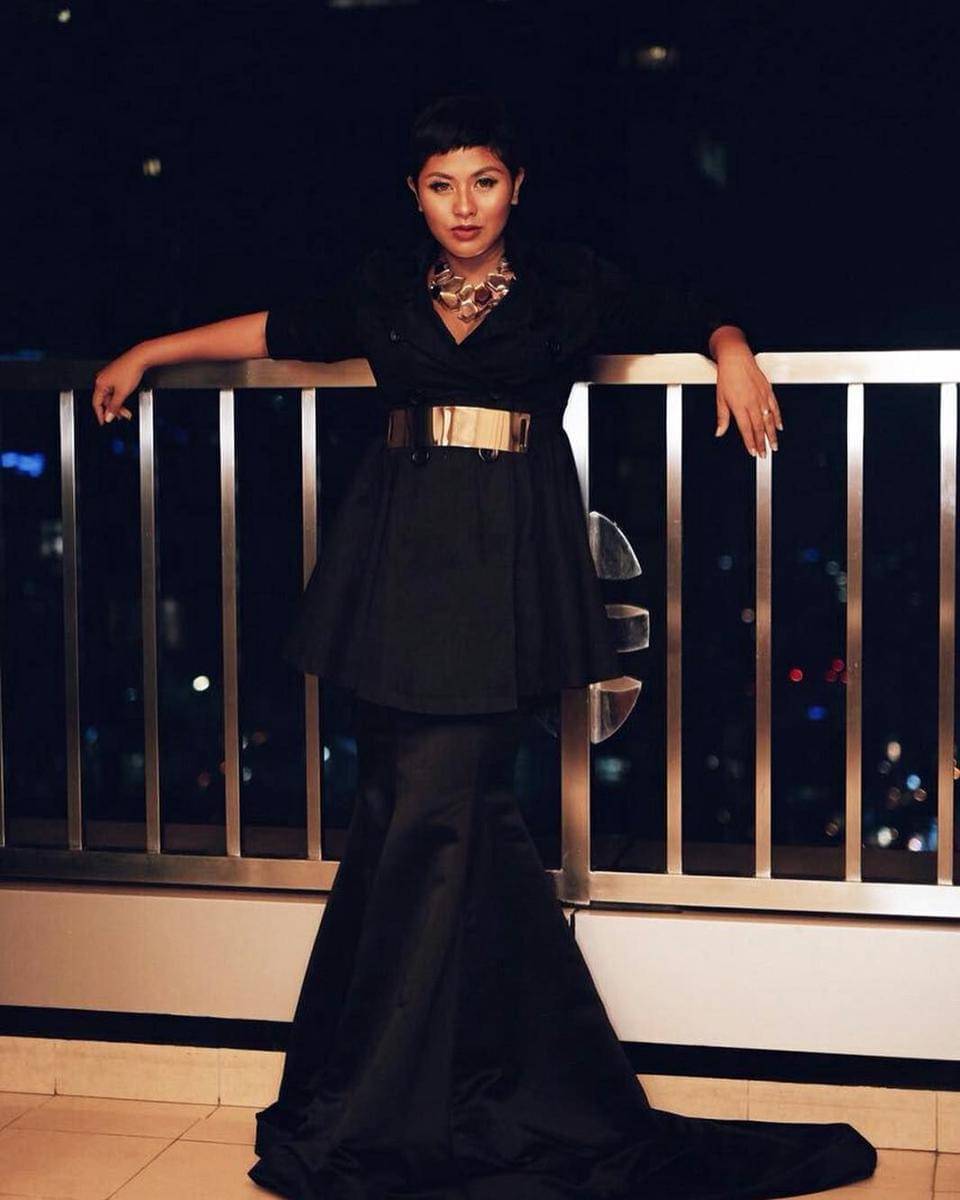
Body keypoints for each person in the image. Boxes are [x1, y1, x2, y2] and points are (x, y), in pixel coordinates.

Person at [92, 93, 877, 1199]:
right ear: (415, 196)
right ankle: (441, 1085)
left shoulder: (567, 281)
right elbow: (275, 330)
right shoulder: (382, 287)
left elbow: (689, 301)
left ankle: (414, 1097)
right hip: (396, 559)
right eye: (441, 185)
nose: (463, 206)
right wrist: (147, 350)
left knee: (446, 808)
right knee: (407, 812)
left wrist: (734, 350)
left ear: (516, 189)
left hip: (508, 564)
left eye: (484, 182)